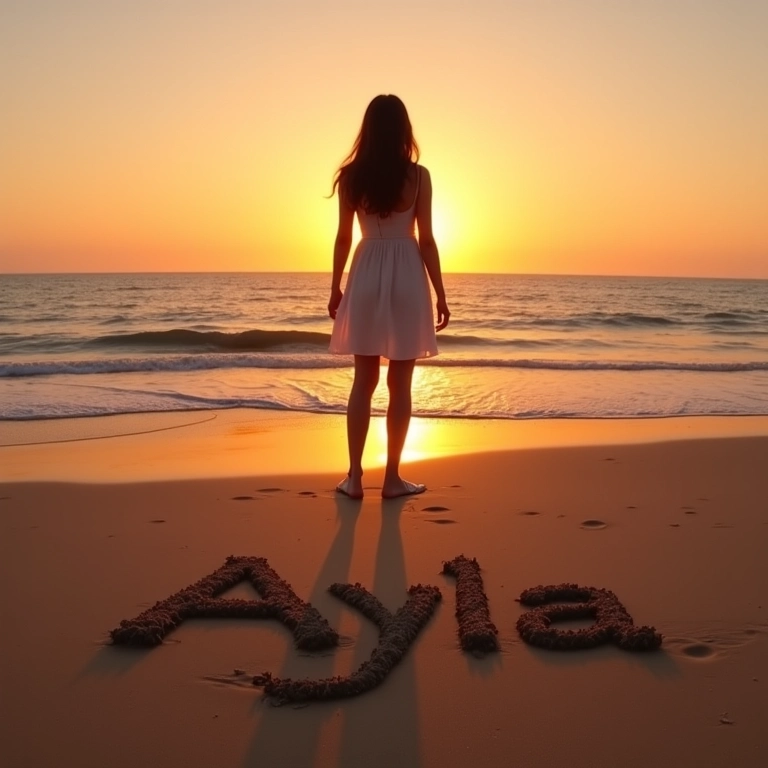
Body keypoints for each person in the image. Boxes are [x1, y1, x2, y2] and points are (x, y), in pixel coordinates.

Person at [328, 94, 450, 500]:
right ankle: (393, 479)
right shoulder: (419, 176)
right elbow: (428, 239)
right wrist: (440, 294)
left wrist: (335, 287)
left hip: (365, 271)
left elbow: (344, 237)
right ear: (403, 130)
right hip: (407, 275)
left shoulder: (351, 178)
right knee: (401, 383)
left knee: (364, 381)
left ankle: (355, 478)